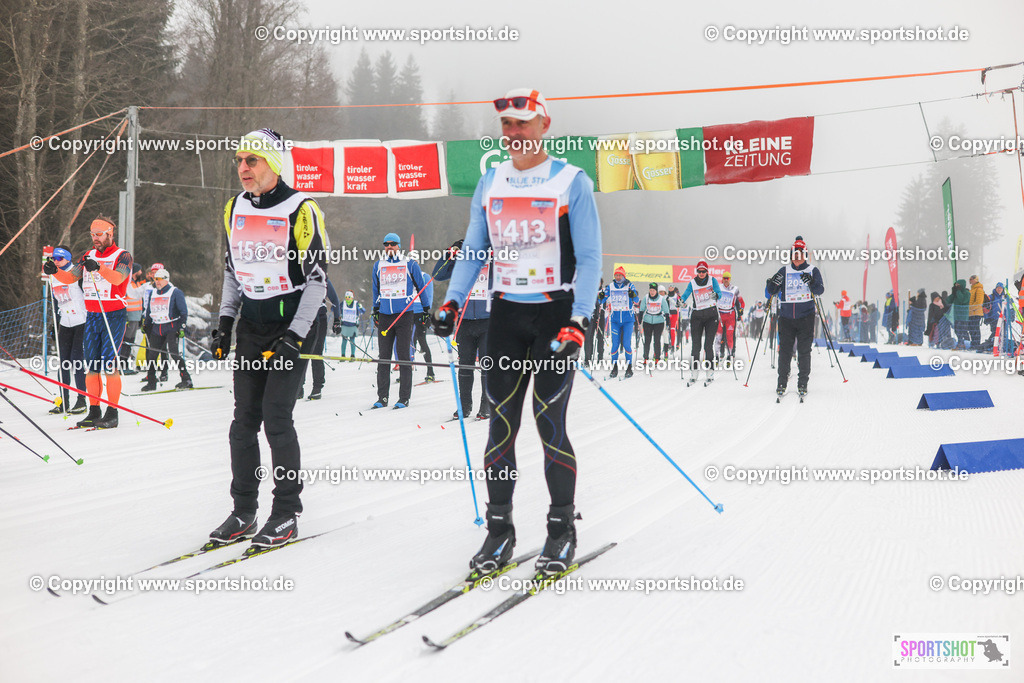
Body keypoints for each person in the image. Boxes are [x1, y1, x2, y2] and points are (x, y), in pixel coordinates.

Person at [431, 88, 602, 575]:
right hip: (505, 316)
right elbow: (474, 250)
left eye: (522, 124)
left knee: (550, 425)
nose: (513, 133)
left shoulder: (571, 181)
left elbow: (590, 257)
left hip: (555, 317)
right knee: (500, 427)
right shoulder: (491, 181)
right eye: (506, 125)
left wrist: (580, 319)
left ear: (544, 126)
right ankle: (499, 531)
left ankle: (561, 529)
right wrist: (452, 301)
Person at [208, 128, 328, 548]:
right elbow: (232, 272)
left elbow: (317, 281)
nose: (243, 168)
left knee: (276, 418)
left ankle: (286, 513)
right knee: (243, 423)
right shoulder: (234, 208)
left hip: (293, 324)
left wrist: (295, 336)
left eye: (252, 160)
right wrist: (225, 323)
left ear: (273, 164)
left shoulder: (301, 209)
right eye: (239, 160)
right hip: (253, 325)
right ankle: (243, 510)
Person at [50, 216, 132, 429]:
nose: (95, 238)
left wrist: (99, 268)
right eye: (92, 234)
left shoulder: (123, 255)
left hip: (113, 314)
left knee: (109, 365)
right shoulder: (88, 255)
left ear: (110, 234)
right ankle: (94, 411)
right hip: (93, 315)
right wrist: (55, 271)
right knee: (91, 367)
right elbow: (71, 277)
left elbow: (118, 278)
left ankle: (112, 413)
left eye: (99, 234)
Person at [432, 239, 491, 419]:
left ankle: (486, 406)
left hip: (488, 321)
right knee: (465, 366)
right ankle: (464, 406)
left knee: (487, 364)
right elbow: (438, 275)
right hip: (465, 322)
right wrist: (449, 253)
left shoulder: (492, 259)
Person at [372, 232, 430, 409]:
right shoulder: (378, 265)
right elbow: (375, 289)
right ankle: (382, 397)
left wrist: (426, 309)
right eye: (386, 244)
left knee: (404, 356)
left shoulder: (410, 264)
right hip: (385, 315)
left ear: (399, 246)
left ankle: (404, 397)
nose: (389, 247)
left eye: (392, 244)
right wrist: (375, 309)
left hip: (404, 315)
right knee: (384, 357)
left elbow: (421, 287)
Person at [764, 236, 824, 397]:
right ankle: (781, 382)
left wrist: (811, 282)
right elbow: (771, 291)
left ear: (805, 255)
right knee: (784, 352)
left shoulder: (812, 270)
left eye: (799, 254)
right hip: (786, 318)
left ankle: (803, 383)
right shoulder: (784, 270)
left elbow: (820, 290)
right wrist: (773, 283)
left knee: (804, 351)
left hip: (806, 316)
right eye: (794, 254)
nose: (796, 257)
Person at [42, 245, 88, 415]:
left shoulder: (76, 273)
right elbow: (56, 301)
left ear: (68, 258)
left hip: (81, 322)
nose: (56, 261)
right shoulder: (53, 275)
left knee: (76, 361)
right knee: (63, 363)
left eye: (59, 258)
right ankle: (64, 401)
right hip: (65, 323)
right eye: (54, 258)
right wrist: (54, 324)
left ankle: (81, 400)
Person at [141, 268, 192, 391]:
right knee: (152, 356)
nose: (157, 282)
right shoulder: (153, 293)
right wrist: (146, 324)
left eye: (159, 279)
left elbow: (183, 312)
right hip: (157, 328)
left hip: (171, 327)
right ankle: (151, 382)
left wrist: (182, 327)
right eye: (155, 279)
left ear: (166, 280)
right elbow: (149, 311)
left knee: (174, 354)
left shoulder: (175, 292)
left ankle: (186, 380)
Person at [298, 277, 340, 401]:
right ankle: (298, 387)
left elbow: (334, 299)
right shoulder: (297, 275)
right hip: (302, 319)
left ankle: (317, 387)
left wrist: (337, 320)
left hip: (319, 319)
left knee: (316, 353)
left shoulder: (322, 277)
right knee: (301, 353)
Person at [680, 260, 721, 385]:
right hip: (697, 315)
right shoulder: (692, 282)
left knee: (708, 345)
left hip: (711, 315)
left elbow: (719, 293)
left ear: (707, 271)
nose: (701, 273)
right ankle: (694, 372)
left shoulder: (712, 280)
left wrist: (716, 295)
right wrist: (680, 300)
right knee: (696, 346)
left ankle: (710, 372)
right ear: (697, 271)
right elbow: (686, 294)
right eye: (699, 271)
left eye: (703, 271)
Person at [601, 266, 639, 378]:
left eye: (620, 275)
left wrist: (633, 295)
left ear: (623, 276)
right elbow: (601, 300)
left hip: (628, 320)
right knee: (615, 345)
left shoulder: (630, 285)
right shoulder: (610, 286)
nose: (618, 277)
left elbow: (636, 300)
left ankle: (629, 368)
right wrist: (601, 296)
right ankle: (614, 368)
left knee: (626, 344)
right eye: (616, 275)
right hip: (615, 320)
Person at [408, 258, 437, 383]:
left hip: (420, 312)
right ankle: (406, 373)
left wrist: (427, 312)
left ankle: (430, 372)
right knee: (408, 342)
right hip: (408, 312)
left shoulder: (425, 276)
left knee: (421, 340)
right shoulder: (405, 276)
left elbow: (429, 295)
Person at [119, 263, 145, 375]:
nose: (141, 273)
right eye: (139, 271)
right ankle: (122, 365)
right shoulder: (128, 284)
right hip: (129, 315)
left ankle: (125, 364)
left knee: (130, 340)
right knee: (127, 341)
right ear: (135, 272)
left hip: (136, 316)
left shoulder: (136, 283)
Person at [716, 271, 743, 360]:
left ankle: (731, 352)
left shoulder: (734, 289)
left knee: (730, 335)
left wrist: (740, 311)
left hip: (730, 315)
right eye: (724, 278)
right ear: (722, 279)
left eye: (727, 278)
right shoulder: (718, 288)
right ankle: (720, 352)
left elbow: (739, 302)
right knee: (720, 335)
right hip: (720, 314)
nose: (726, 280)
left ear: (730, 279)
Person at [640, 282, 668, 364]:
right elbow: (642, 309)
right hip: (647, 321)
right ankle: (645, 358)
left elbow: (666, 310)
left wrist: (668, 321)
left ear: (656, 291)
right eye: (650, 290)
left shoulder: (661, 299)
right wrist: (640, 317)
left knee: (657, 340)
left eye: (653, 291)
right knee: (647, 340)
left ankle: (657, 358)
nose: (652, 292)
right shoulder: (646, 298)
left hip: (659, 322)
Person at [583, 279, 606, 366]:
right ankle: (587, 358)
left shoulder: (603, 292)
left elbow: (606, 303)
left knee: (600, 337)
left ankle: (600, 357)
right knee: (588, 338)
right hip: (590, 317)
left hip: (600, 316)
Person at [338, 290, 364, 359]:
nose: (347, 299)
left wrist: (360, 307)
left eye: (349, 297)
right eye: (346, 297)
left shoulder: (356, 304)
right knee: (344, 340)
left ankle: (352, 355)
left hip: (353, 325)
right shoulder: (343, 303)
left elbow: (363, 311)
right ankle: (343, 355)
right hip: (344, 324)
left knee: (352, 340)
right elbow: (336, 309)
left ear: (352, 297)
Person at [946, 279, 970, 349]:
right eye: (956, 285)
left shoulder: (967, 293)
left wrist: (958, 291)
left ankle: (964, 344)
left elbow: (962, 300)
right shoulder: (956, 293)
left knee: (963, 331)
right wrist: (953, 293)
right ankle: (961, 344)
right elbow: (948, 300)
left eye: (958, 285)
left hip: (963, 316)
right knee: (957, 330)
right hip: (956, 315)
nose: (956, 286)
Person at [967, 275, 985, 350]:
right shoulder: (972, 289)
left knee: (975, 329)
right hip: (971, 313)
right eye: (970, 279)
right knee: (971, 329)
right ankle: (973, 344)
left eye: (971, 279)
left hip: (976, 312)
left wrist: (970, 308)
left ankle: (976, 344)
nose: (970, 280)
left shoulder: (979, 289)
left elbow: (979, 302)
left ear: (976, 280)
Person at [666, 286, 680, 355]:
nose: (670, 289)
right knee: (667, 330)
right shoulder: (666, 296)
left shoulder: (676, 296)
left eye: (672, 287)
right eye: (669, 287)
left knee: (672, 330)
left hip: (674, 314)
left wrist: (680, 303)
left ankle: (673, 345)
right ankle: (667, 344)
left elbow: (680, 303)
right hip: (668, 314)